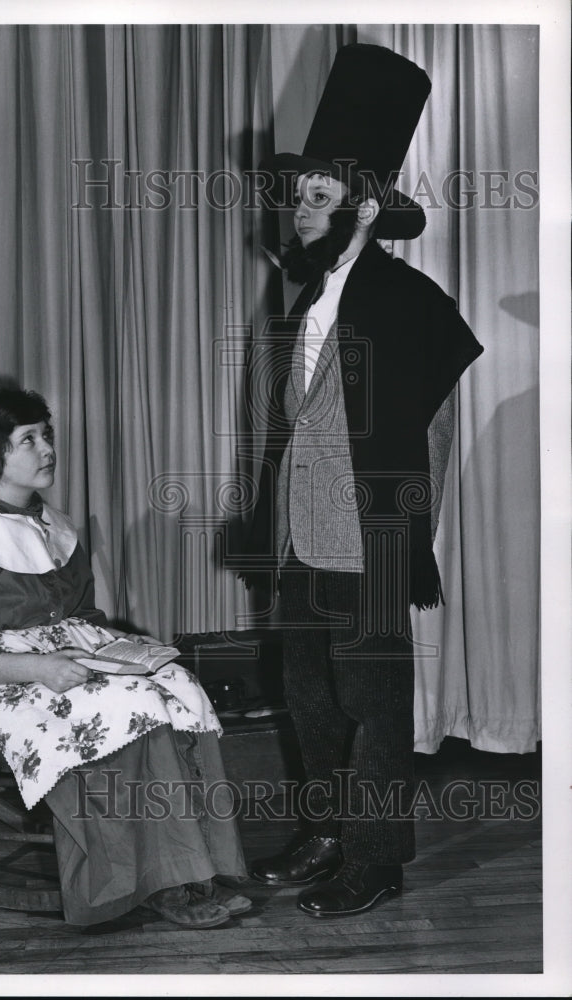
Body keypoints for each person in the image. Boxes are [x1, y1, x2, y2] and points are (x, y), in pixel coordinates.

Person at [243, 44, 484, 916]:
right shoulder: (306, 300)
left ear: (365, 205)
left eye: (317, 196)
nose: (300, 209)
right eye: (298, 194)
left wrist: (397, 546)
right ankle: (327, 831)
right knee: (306, 695)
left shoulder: (412, 304)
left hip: (369, 542)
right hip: (302, 539)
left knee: (373, 708)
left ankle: (376, 857)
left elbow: (433, 439)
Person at [0, 388, 249, 928]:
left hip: (71, 656)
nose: (46, 448)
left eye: (46, 435)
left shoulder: (59, 526)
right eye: (28, 439)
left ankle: (196, 870)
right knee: (130, 707)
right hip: (3, 680)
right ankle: (151, 883)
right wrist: (43, 669)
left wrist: (127, 652)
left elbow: (84, 615)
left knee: (176, 685)